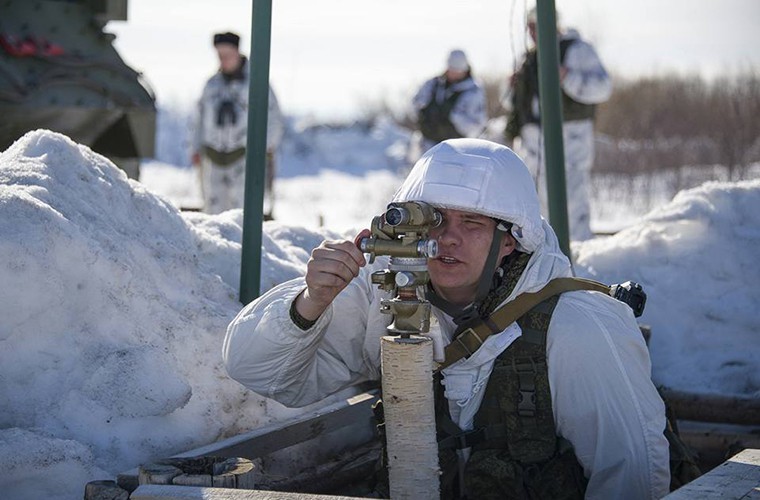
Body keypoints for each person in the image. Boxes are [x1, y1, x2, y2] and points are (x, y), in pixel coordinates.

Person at [223, 138, 671, 498]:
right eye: (434, 220)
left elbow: (631, 475)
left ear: (511, 240)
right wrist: (311, 301)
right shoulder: (385, 298)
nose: (447, 239)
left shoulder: (576, 326)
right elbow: (257, 371)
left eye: (472, 223)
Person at [503, 8, 612, 241]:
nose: (533, 32)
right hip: (533, 148)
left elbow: (602, 88)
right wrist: (513, 86)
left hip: (569, 143)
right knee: (535, 207)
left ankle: (578, 257)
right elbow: (512, 104)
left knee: (572, 205)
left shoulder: (576, 50)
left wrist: (567, 77)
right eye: (529, 27)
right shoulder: (530, 59)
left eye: (536, 26)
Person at [192, 31, 284, 217]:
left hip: (244, 158)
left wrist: (264, 148)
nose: (223, 60)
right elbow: (198, 119)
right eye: (220, 55)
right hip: (214, 158)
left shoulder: (257, 84)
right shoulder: (211, 86)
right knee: (213, 213)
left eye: (227, 55)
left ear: (237, 52)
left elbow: (274, 119)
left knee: (242, 213)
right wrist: (195, 148)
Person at [409, 49, 487, 162]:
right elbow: (414, 105)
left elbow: (476, 126)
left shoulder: (473, 91)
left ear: (464, 70)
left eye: (457, 70)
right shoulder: (432, 84)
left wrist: (454, 116)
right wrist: (425, 113)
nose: (453, 73)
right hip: (428, 145)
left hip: (457, 150)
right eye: (452, 69)